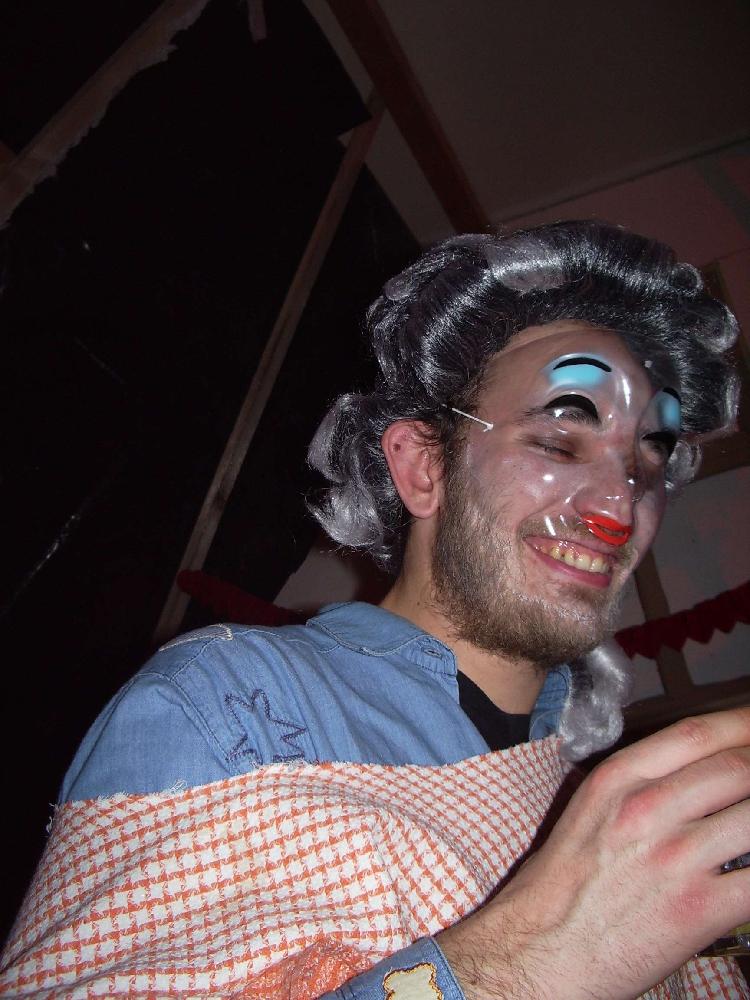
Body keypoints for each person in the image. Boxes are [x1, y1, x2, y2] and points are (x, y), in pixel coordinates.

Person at [3, 221, 749, 999]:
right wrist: (527, 965)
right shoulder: (229, 703)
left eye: (647, 462)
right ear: (423, 468)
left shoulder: (592, 806)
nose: (618, 509)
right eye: (560, 441)